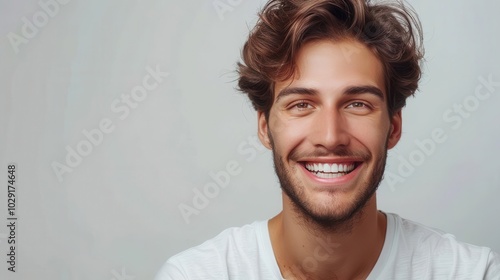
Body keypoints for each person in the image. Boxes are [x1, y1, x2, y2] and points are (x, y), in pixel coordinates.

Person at [155, 0, 500, 279]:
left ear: (393, 127)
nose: (330, 136)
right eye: (302, 104)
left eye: (357, 104)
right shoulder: (196, 275)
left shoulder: (470, 273)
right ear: (264, 127)